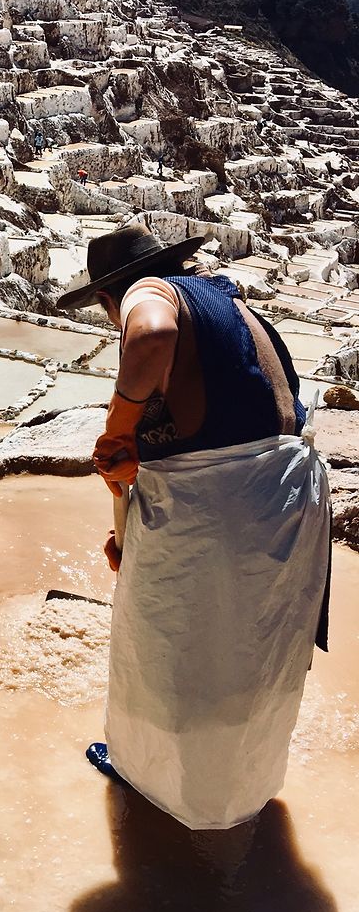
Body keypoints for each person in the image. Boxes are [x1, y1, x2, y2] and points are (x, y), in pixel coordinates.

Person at [59, 224, 331, 831]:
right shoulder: (228, 306)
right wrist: (132, 517)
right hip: (285, 499)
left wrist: (118, 427)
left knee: (170, 649)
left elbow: (151, 337)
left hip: (219, 506)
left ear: (109, 298)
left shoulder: (149, 295)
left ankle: (160, 784)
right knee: (250, 652)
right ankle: (243, 791)